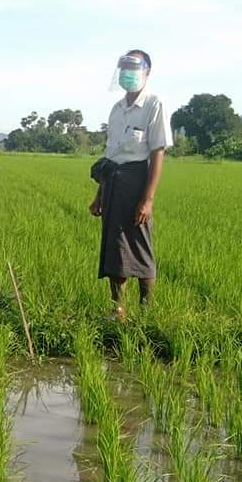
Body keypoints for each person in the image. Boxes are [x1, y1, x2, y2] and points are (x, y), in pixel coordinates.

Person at [90, 50, 173, 321]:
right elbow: (111, 156)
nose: (127, 72)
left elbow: (157, 152)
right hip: (112, 181)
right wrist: (99, 194)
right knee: (114, 248)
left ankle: (147, 310)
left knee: (140, 246)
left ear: (146, 72)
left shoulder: (154, 104)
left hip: (137, 181)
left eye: (133, 67)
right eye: (123, 67)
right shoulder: (116, 109)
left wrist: (147, 200)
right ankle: (118, 309)